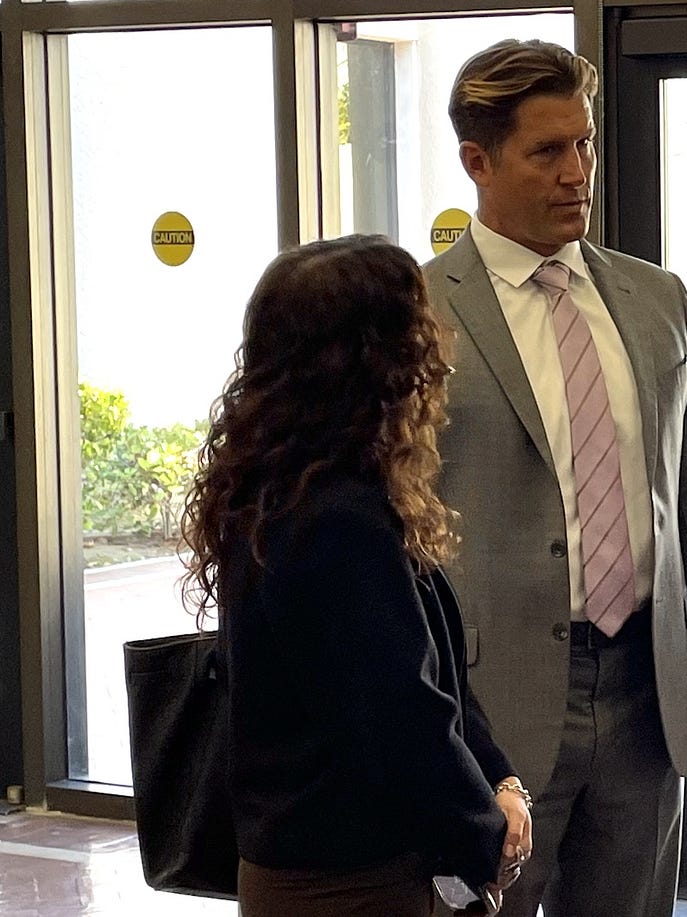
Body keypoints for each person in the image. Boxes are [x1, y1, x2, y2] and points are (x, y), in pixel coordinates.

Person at [424, 39, 687, 917]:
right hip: (483, 706)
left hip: (645, 696)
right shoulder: (415, 311)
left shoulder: (658, 301)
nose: (576, 171)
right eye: (547, 151)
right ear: (477, 161)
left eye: (583, 143)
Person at [180, 235, 529, 917]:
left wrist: (500, 779)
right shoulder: (335, 519)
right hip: (346, 885)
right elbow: (398, 715)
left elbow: (435, 680)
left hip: (326, 872)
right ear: (384, 361)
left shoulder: (288, 487)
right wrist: (486, 837)